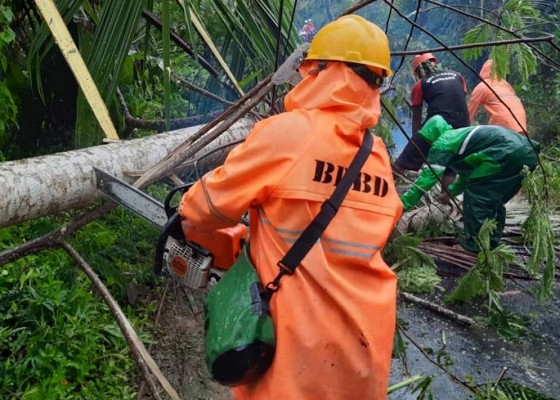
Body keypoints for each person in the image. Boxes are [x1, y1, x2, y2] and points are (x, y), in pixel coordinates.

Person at [178, 15, 403, 400]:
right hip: (366, 344)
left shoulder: (289, 132)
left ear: (321, 70)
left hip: (299, 348)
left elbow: (201, 209)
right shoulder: (376, 155)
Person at [400, 115, 539, 253]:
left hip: (504, 152)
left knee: (476, 196)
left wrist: (402, 204)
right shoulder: (459, 138)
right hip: (528, 152)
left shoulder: (442, 142)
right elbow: (467, 175)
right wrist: (450, 193)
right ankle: (491, 242)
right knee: (495, 200)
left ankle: (473, 247)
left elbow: (427, 179)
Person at [393, 53, 470, 188]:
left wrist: (417, 146)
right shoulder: (458, 76)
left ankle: (383, 187)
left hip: (437, 124)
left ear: (417, 72)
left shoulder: (420, 85)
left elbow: (416, 119)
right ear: (435, 63)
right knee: (451, 165)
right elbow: (460, 100)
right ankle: (445, 200)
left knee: (402, 161)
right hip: (463, 125)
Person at [468, 58, 527, 134]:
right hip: (521, 123)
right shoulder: (506, 84)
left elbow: (469, 112)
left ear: (483, 70)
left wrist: (462, 132)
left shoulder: (482, 86)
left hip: (503, 125)